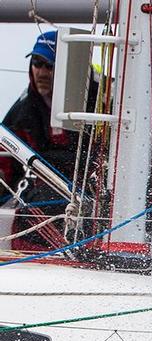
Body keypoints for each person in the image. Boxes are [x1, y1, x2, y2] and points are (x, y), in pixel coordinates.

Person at [1, 31, 94, 251]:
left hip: (84, 192)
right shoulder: (23, 112)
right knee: (36, 202)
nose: (41, 72)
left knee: (49, 202)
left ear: (66, 71)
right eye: (36, 63)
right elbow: (5, 161)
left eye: (49, 66)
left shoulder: (99, 104)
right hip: (37, 191)